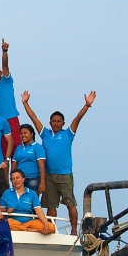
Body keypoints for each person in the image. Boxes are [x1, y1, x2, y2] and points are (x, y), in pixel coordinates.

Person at [22, 89, 95, 235]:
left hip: (65, 175)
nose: (56, 123)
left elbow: (77, 119)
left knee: (70, 203)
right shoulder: (46, 134)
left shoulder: (68, 134)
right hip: (49, 175)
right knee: (51, 205)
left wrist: (86, 105)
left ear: (63, 123)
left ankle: (74, 230)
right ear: (50, 122)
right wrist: (25, 103)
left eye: (58, 121)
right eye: (53, 121)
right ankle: (51, 229)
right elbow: (34, 119)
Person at [0, 168, 55, 234]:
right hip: (13, 222)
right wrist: (7, 211)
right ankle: (28, 230)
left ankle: (23, 229)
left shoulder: (32, 193)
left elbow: (38, 210)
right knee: (7, 223)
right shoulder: (7, 193)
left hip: (29, 222)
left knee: (51, 227)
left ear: (23, 179)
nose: (15, 180)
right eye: (13, 179)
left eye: (17, 178)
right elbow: (1, 210)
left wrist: (46, 224)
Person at [12, 124, 46, 195]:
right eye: (21, 134)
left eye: (25, 133)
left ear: (32, 134)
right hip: (19, 180)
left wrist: (42, 183)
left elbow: (41, 166)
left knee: (31, 203)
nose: (23, 135)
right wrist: (12, 178)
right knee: (19, 202)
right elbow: (14, 163)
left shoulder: (38, 147)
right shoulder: (19, 148)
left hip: (32, 179)